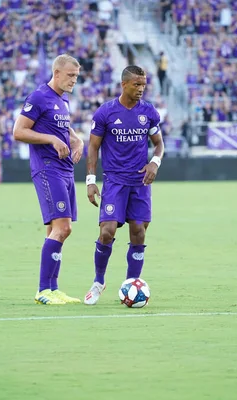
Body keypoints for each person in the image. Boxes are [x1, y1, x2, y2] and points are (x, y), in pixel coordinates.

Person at [83, 65, 165, 305]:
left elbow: (159, 144)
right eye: (136, 85)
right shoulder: (105, 112)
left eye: (144, 85)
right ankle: (99, 281)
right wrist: (90, 180)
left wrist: (154, 163)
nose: (141, 89)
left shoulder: (148, 112)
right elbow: (93, 147)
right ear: (124, 84)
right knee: (107, 232)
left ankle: (130, 284)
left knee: (138, 233)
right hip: (114, 181)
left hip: (140, 182)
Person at [12, 54, 84, 305]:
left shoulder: (61, 100)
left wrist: (76, 138)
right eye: (70, 75)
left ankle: (53, 289)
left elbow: (62, 127)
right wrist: (52, 140)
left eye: (76, 75)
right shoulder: (39, 97)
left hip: (65, 170)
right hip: (47, 168)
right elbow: (18, 131)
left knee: (56, 230)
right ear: (56, 73)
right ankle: (43, 290)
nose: (74, 80)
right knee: (64, 228)